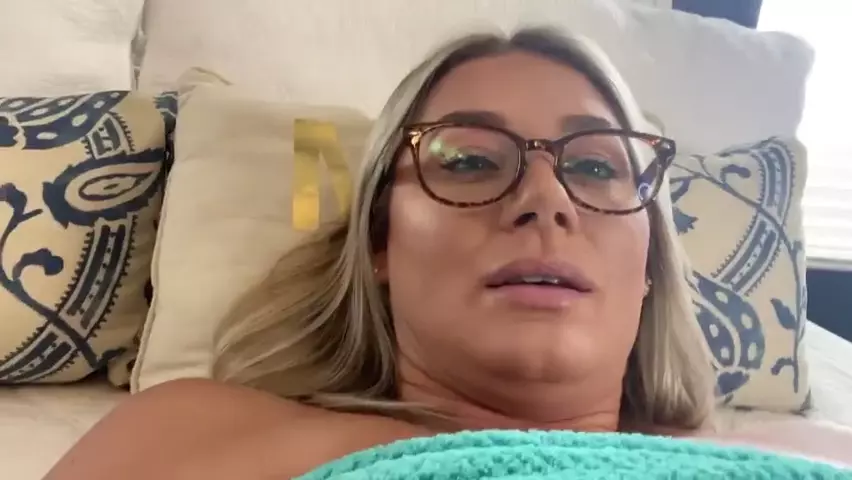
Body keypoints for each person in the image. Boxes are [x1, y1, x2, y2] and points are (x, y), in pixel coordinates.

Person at [46, 28, 852, 479]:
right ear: (380, 243)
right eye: (468, 160)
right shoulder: (189, 434)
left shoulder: (814, 451)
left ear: (648, 268)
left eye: (596, 167)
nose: (545, 198)